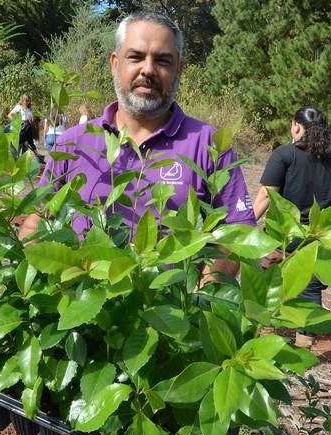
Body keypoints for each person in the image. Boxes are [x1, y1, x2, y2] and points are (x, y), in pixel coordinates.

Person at [19, 12, 256, 275]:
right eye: (136, 57)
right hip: (83, 305)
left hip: (171, 310)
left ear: (179, 69)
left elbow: (238, 231)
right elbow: (38, 220)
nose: (148, 69)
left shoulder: (209, 145)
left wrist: (205, 288)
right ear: (114, 63)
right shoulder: (72, 144)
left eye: (163, 60)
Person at [253, 105, 331, 310]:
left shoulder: (284, 154)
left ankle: (266, 332)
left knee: (267, 287)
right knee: (310, 291)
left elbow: (266, 195)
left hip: (282, 234)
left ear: (297, 127)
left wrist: (246, 223)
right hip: (315, 236)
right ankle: (305, 340)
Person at [7, 94, 39, 158]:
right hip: (18, 130)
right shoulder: (18, 107)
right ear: (21, 100)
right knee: (15, 152)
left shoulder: (29, 110)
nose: (25, 102)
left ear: (29, 101)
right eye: (24, 100)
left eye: (27, 101)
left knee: (24, 153)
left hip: (26, 131)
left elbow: (31, 122)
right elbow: (10, 115)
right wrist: (17, 122)